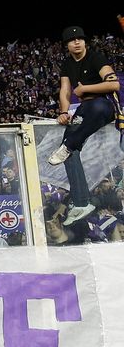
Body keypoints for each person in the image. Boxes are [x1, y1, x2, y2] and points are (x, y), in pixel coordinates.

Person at [48, 26, 121, 225]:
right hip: (84, 108)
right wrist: (63, 112)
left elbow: (114, 84)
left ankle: (71, 144)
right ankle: (81, 203)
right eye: (72, 40)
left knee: (93, 112)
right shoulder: (67, 64)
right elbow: (64, 91)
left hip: (104, 104)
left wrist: (84, 88)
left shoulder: (96, 57)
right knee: (68, 150)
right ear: (66, 45)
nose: (77, 42)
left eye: (80, 38)